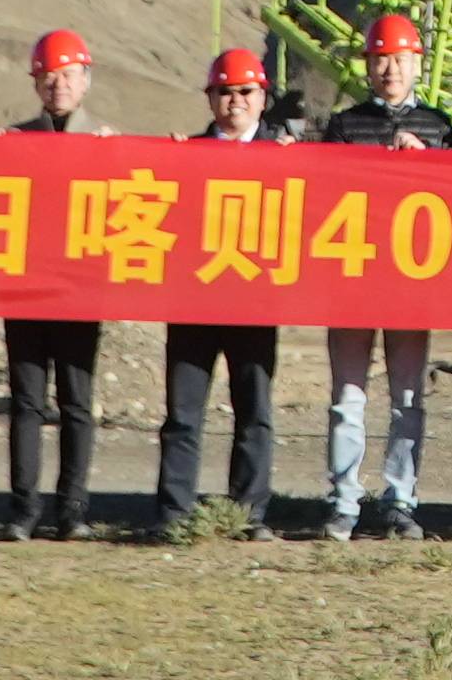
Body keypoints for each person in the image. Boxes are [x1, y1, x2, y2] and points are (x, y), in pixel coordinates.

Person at [317, 11, 452, 540]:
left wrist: (431, 159)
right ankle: (344, 500)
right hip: (353, 282)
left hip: (411, 286)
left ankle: (401, 499)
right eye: (380, 59)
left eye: (399, 59)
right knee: (347, 397)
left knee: (407, 398)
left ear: (416, 63)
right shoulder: (344, 125)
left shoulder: (439, 127)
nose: (390, 69)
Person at [150, 47, 284, 537]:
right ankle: (174, 512)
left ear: (262, 97)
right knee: (183, 414)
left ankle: (249, 514)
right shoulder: (183, 155)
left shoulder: (286, 159)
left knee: (254, 412)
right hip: (194, 302)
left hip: (254, 302)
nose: (234, 101)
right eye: (224, 91)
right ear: (210, 99)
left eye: (245, 91)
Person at [0, 28, 113, 541]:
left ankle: (72, 510)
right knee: (26, 401)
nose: (58, 84)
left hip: (80, 292)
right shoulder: (13, 142)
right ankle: (23, 510)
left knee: (77, 404)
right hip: (25, 290)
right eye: (48, 75)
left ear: (85, 80)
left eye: (68, 74)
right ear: (35, 82)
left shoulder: (107, 144)